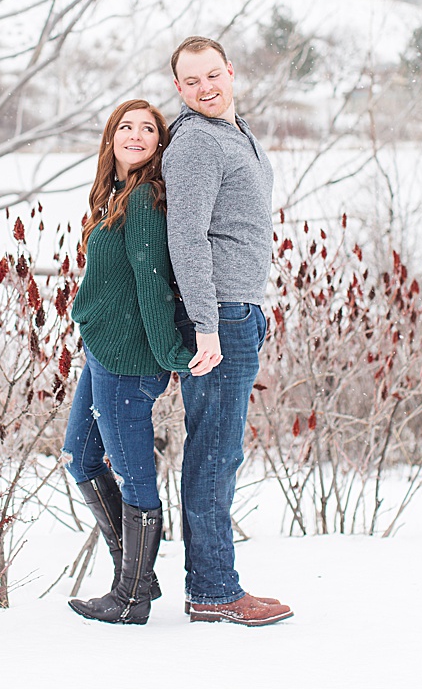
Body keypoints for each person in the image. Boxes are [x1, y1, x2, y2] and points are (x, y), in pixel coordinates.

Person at [163, 35, 293, 626]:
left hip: (243, 311)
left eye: (212, 75)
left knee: (220, 451)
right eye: (191, 82)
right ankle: (214, 592)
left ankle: (212, 584)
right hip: (220, 318)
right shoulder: (193, 143)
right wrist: (205, 324)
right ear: (179, 89)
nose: (205, 88)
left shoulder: (236, 134)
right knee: (214, 455)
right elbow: (186, 238)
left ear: (231, 72)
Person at [63, 99, 203, 625]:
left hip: (129, 360)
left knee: (134, 476)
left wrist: (171, 353)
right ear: (112, 136)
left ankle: (131, 599)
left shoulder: (145, 199)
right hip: (103, 349)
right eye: (127, 126)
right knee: (79, 456)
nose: (138, 135)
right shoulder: (113, 195)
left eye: (150, 129)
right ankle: (136, 579)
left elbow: (151, 280)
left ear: (159, 143)